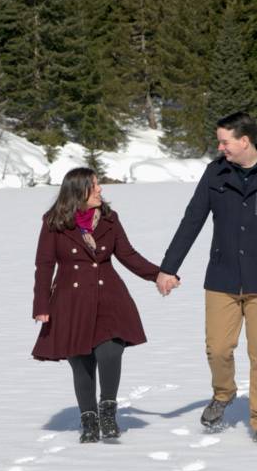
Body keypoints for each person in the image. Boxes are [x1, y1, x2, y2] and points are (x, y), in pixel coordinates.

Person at [156, 112, 257, 446]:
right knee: (218, 348)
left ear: (245, 140)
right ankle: (224, 393)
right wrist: (168, 267)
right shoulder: (215, 173)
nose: (220, 146)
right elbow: (192, 221)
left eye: (225, 141)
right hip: (222, 277)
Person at [33, 168, 164, 443]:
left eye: (98, 185)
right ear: (77, 191)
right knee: (80, 362)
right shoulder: (54, 222)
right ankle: (89, 419)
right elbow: (44, 266)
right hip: (71, 301)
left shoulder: (109, 219)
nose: (100, 190)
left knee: (110, 354)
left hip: (109, 297)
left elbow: (127, 254)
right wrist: (42, 305)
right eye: (93, 186)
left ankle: (107, 411)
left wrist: (159, 274)